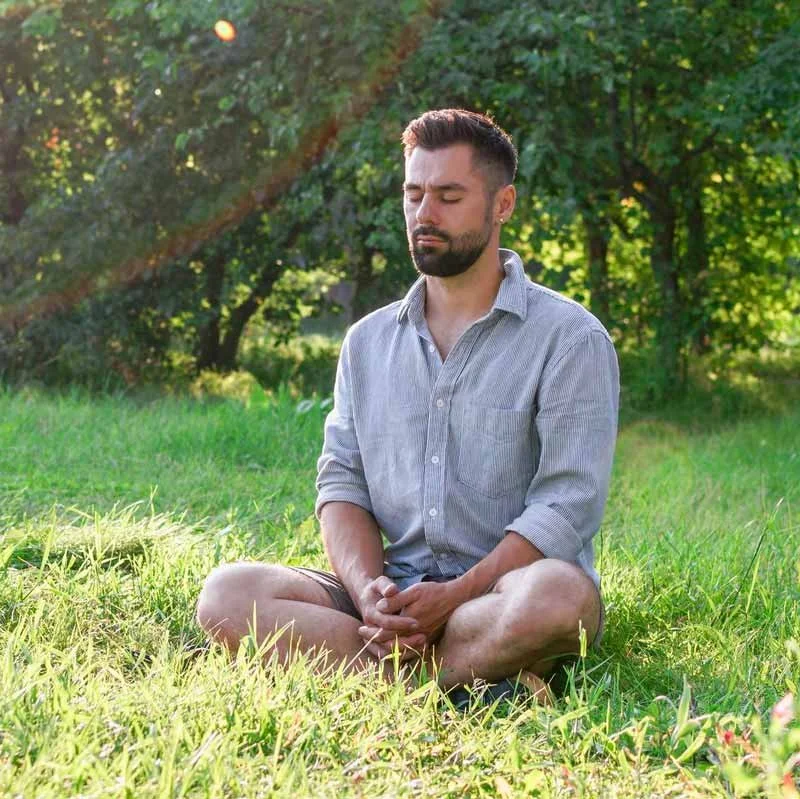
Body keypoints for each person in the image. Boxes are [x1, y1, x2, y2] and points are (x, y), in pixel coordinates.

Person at [196, 109, 619, 704]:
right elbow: (342, 483)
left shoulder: (570, 338)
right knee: (227, 595)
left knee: (561, 598)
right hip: (392, 599)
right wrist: (370, 592)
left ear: (502, 205)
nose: (424, 214)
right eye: (414, 193)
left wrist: (455, 596)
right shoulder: (367, 342)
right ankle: (466, 680)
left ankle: (394, 676)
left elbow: (567, 504)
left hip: (503, 594)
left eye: (449, 196)